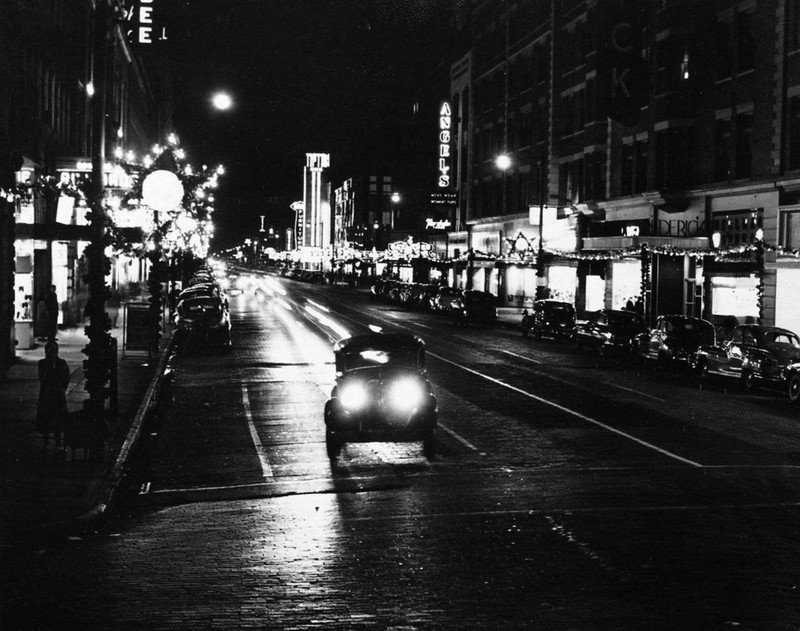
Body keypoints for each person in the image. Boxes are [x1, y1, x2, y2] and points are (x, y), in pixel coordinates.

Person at [35, 341, 71, 448]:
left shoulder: (61, 363)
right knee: (48, 418)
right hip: (48, 394)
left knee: (57, 419)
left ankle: (57, 441)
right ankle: (47, 441)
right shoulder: (43, 363)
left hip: (54, 394)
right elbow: (42, 377)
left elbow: (65, 378)